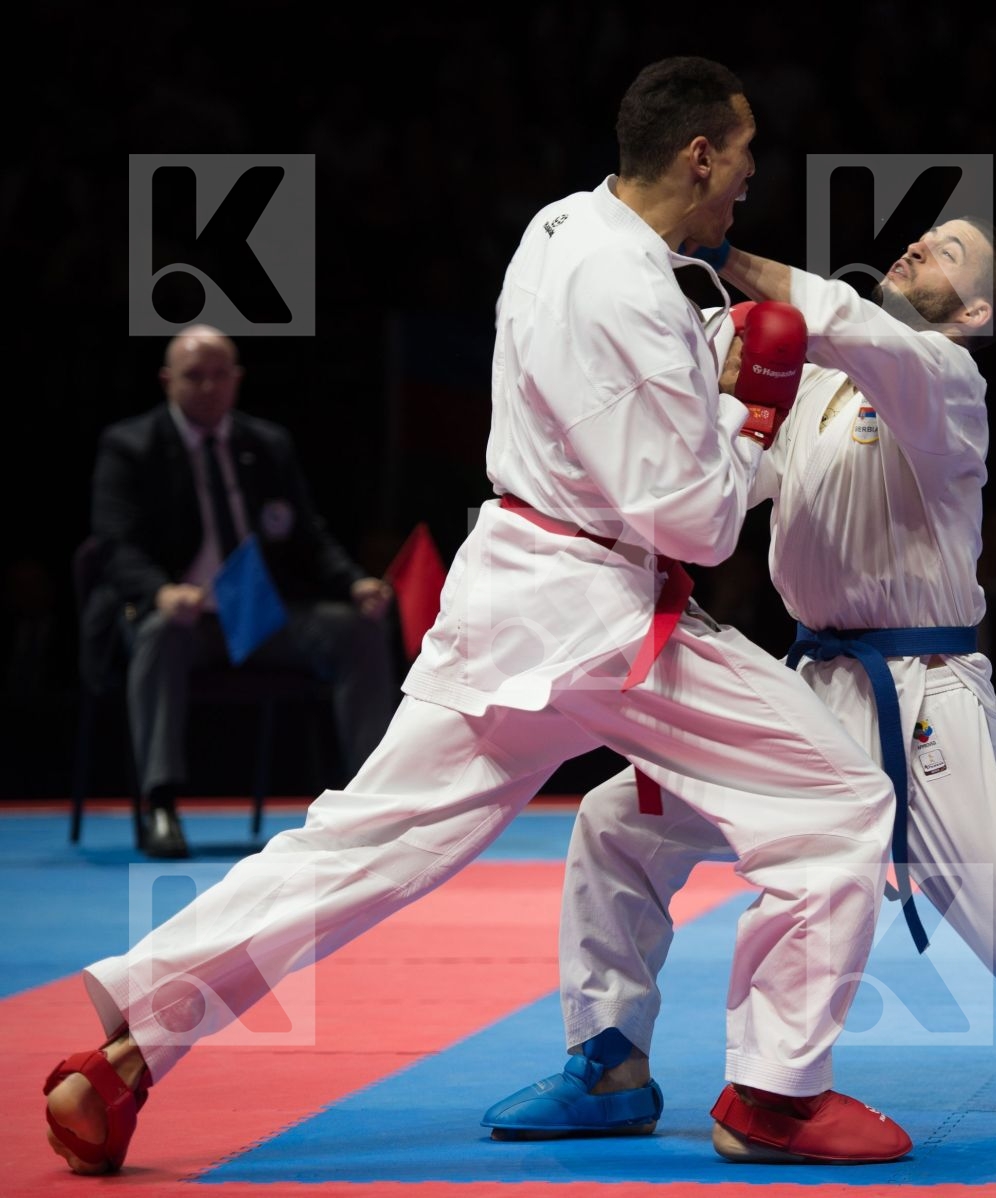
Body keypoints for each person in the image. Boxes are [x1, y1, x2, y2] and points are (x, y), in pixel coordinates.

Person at [44, 56, 911, 1175]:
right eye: (742, 161)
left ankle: (125, 1056)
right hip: (603, 616)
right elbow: (692, 521)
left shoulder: (559, 228)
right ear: (700, 155)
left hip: (512, 593)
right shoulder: (634, 287)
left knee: (366, 841)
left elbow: (605, 413)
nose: (748, 185)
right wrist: (753, 420)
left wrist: (709, 376)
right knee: (839, 801)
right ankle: (777, 1099)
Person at [482, 217, 996, 1155]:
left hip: (922, 701)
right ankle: (610, 1063)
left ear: (977, 309)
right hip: (806, 685)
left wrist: (720, 254)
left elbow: (846, 322)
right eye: (920, 237)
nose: (917, 247)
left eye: (948, 252)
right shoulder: (822, 385)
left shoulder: (947, 384)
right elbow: (723, 484)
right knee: (619, 823)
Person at [85, 327, 397, 858]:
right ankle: (159, 805)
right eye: (193, 377)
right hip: (184, 620)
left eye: (218, 375)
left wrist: (353, 581)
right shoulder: (130, 446)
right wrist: (161, 592)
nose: (208, 387)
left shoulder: (265, 444)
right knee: (160, 633)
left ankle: (373, 805)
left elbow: (306, 535)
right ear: (167, 381)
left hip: (260, 618)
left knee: (356, 628)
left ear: (237, 379)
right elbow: (114, 545)